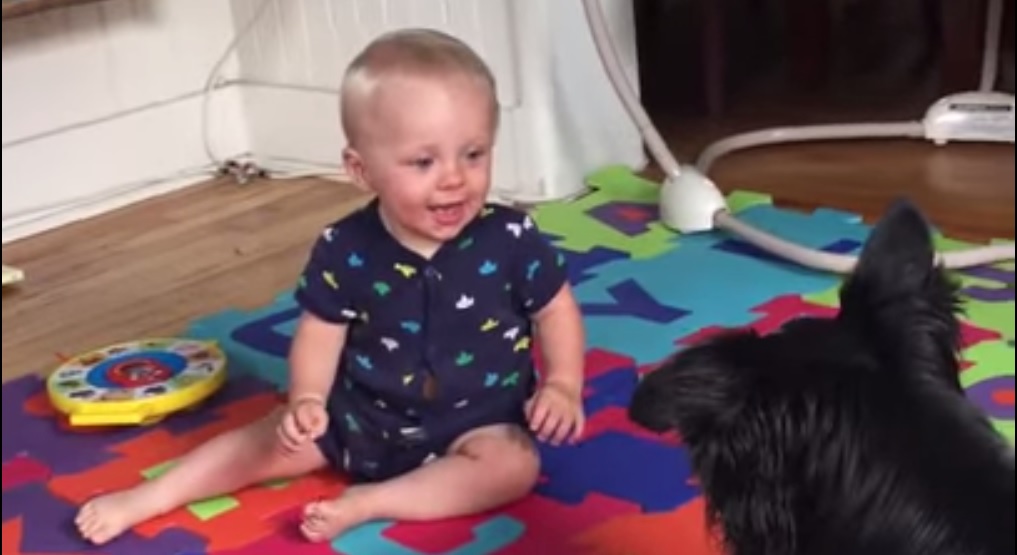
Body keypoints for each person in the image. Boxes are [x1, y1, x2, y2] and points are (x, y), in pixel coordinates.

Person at [74, 27, 586, 545]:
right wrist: (308, 399)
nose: (454, 178)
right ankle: (151, 497)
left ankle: (372, 502)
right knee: (266, 440)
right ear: (361, 170)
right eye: (424, 162)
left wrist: (563, 384)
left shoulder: (511, 236)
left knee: (513, 468)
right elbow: (321, 332)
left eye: (473, 154)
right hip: (357, 419)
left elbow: (556, 310)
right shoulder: (346, 246)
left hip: (478, 423)